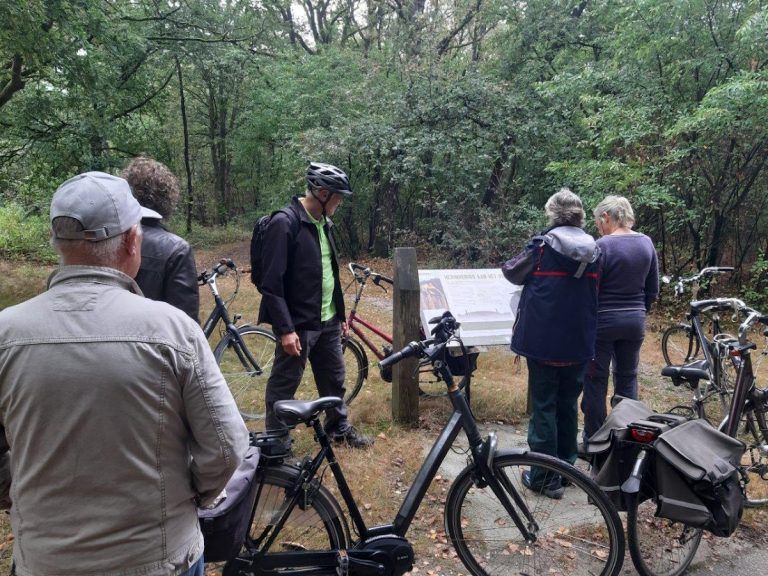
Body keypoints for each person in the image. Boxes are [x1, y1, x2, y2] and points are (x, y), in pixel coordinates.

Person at [0, 172, 249, 576]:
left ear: (58, 245)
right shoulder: (173, 331)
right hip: (159, 559)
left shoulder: (6, 333)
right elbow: (226, 446)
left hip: (44, 561)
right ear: (134, 240)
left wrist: (17, 494)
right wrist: (188, 498)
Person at [258, 162, 372, 449]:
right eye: (338, 196)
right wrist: (285, 329)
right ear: (322, 193)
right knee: (284, 384)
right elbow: (272, 283)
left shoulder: (323, 222)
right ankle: (276, 441)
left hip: (328, 320)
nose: (340, 202)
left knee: (334, 379)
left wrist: (340, 315)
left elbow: (329, 272)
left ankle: (338, 429)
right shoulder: (285, 223)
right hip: (299, 324)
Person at [502, 188, 600, 499]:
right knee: (568, 404)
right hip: (580, 341)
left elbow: (511, 271)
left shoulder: (542, 247)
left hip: (543, 342)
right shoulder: (596, 250)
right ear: (580, 216)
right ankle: (567, 469)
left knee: (543, 405)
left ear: (552, 215)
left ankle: (544, 477)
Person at [581, 195, 659, 439]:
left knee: (595, 382)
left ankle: (594, 439)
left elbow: (590, 289)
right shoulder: (647, 243)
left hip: (603, 323)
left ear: (606, 217)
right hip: (634, 322)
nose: (599, 228)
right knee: (627, 379)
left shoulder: (602, 246)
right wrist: (638, 311)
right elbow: (652, 289)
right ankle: (626, 441)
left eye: (598, 223)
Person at [123, 156, 200, 322]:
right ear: (166, 198)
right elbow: (186, 323)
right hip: (157, 344)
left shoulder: (107, 239)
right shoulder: (176, 249)